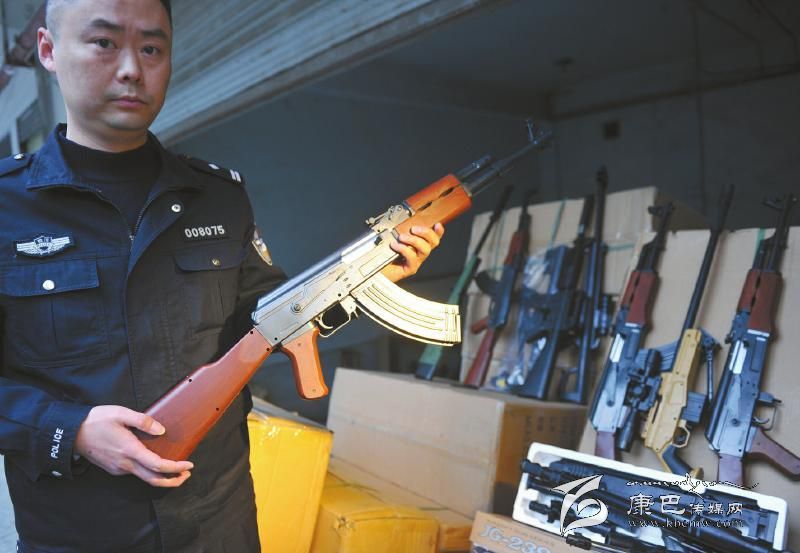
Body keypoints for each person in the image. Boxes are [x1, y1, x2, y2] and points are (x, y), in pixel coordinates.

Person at [0, 0, 445, 551]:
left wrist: (369, 277)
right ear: (48, 49)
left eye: (152, 48)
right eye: (104, 43)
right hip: (77, 534)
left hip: (218, 524)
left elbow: (263, 322)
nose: (132, 68)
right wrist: (70, 430)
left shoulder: (218, 196)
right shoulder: (7, 208)